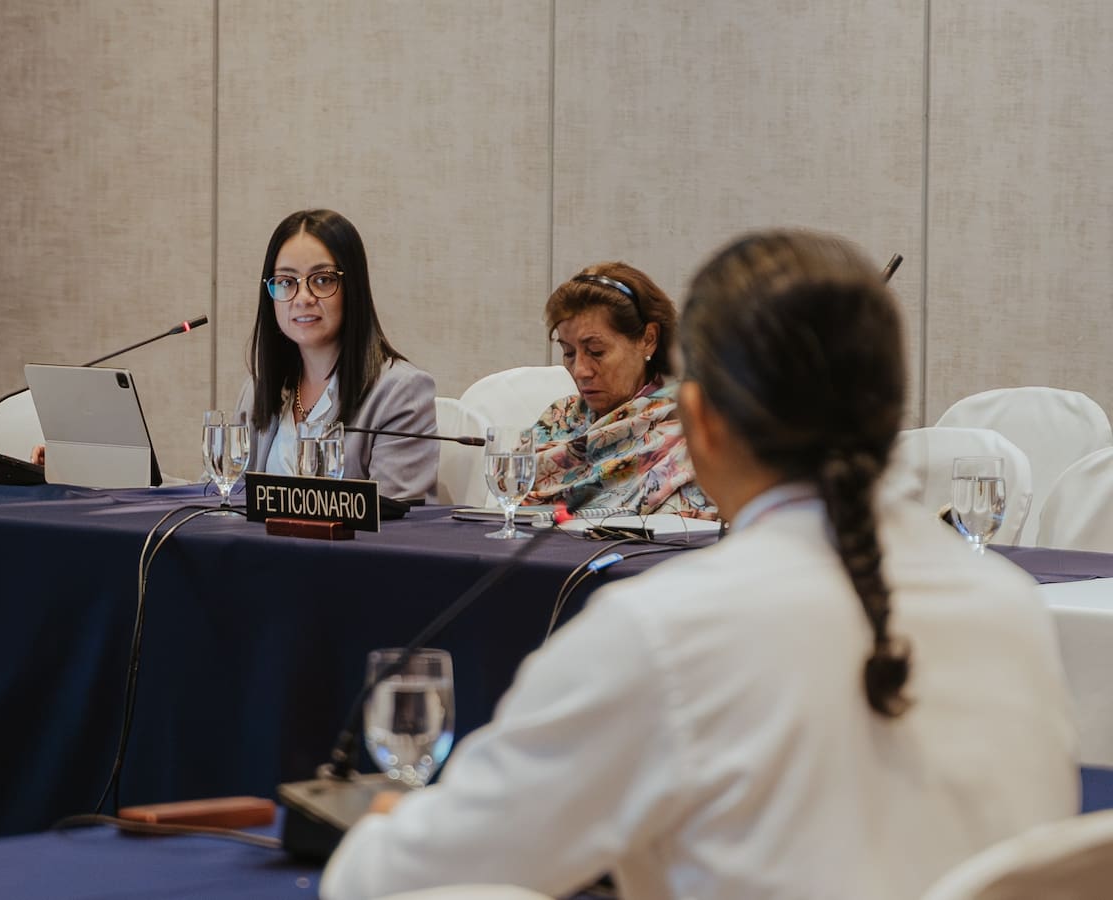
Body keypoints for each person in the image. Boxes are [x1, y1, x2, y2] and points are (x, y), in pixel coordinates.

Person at [321, 230, 1077, 900]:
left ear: (701, 422)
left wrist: (387, 822)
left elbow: (395, 883)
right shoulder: (1014, 607)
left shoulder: (660, 632)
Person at [235, 209, 438, 500]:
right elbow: (222, 496)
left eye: (322, 280)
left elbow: (398, 521)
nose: (303, 298)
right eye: (286, 282)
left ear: (352, 287)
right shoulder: (258, 389)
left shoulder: (400, 392)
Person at [524, 261, 716, 516]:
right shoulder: (558, 419)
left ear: (648, 340)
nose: (580, 370)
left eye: (596, 351)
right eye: (568, 352)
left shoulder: (689, 429)